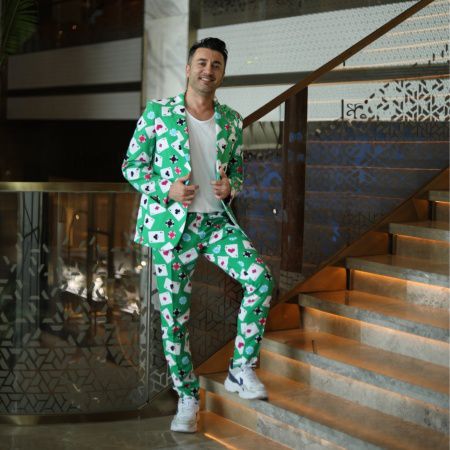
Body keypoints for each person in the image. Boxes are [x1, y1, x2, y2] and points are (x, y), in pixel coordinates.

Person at [122, 37, 274, 433]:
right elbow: (131, 166)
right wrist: (166, 189)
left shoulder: (232, 120)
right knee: (174, 319)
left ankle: (241, 367)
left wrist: (231, 187)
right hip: (173, 229)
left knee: (260, 280)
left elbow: (237, 170)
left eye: (216, 65)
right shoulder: (158, 112)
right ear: (188, 69)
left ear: (223, 73)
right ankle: (187, 397)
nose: (209, 70)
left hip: (217, 224)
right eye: (202, 62)